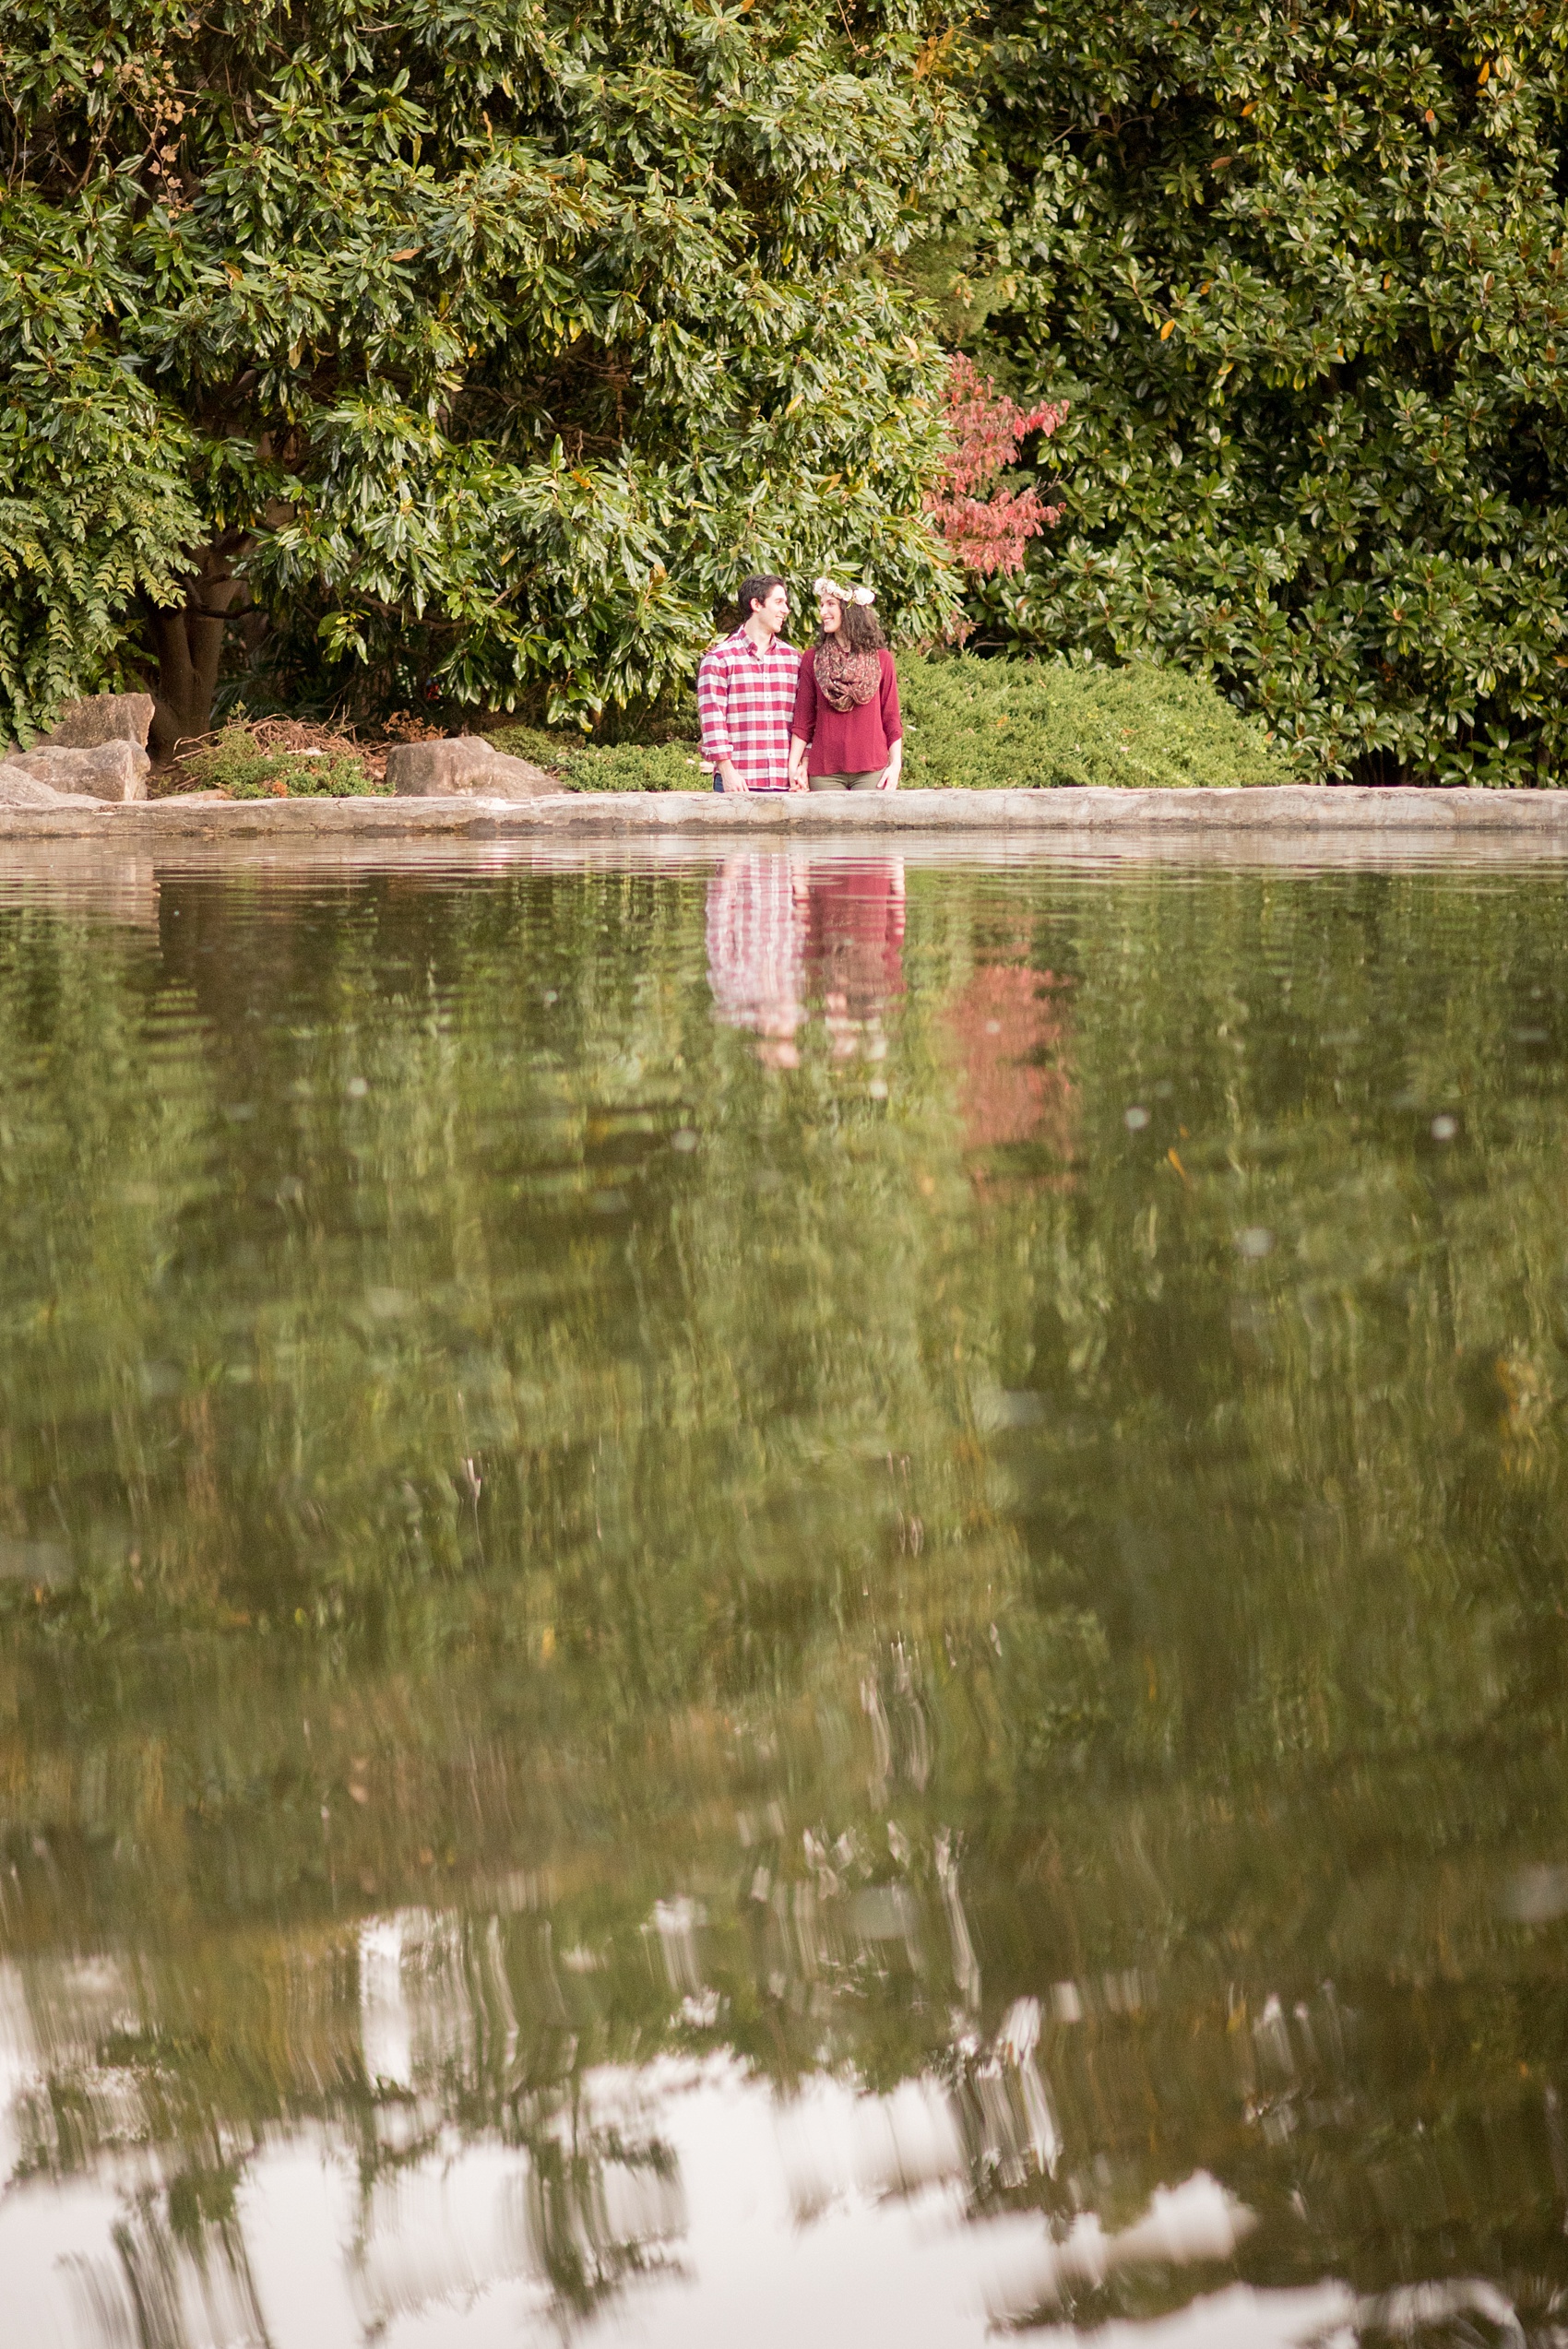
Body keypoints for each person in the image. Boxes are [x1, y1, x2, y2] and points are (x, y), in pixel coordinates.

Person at [788, 577, 903, 792]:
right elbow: (803, 720)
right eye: (821, 605)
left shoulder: (882, 659)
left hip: (871, 771)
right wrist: (793, 768)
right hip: (824, 773)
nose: (823, 612)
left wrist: (895, 765)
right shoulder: (813, 659)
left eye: (830, 604)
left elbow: (891, 718)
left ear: (849, 609)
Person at [696, 575, 801, 793]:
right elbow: (713, 722)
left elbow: (804, 720)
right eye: (779, 602)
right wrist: (726, 771)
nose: (786, 610)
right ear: (756, 604)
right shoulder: (719, 659)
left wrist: (802, 766)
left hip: (786, 784)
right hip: (739, 782)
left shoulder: (793, 660)